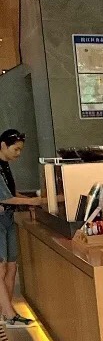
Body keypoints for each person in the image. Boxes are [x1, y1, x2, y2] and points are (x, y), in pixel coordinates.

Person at [0, 129, 42, 328]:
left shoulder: (5, 165)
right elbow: (5, 198)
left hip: (7, 218)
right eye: (16, 149)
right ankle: (9, 314)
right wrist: (33, 201)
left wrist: (29, 200)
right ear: (3, 145)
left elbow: (11, 193)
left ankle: (6, 312)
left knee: (11, 265)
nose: (19, 153)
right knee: (1, 268)